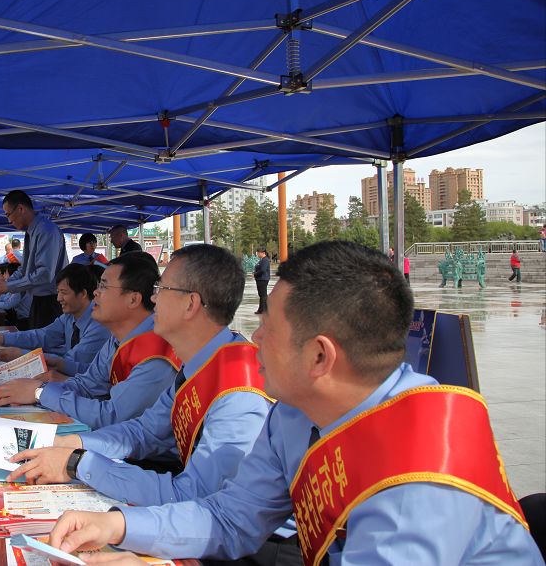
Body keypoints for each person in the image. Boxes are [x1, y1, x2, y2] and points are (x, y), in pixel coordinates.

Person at [48, 241, 540, 565]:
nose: (252, 339)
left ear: (320, 356)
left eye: (270, 330)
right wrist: (117, 525)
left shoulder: (420, 478)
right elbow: (231, 518)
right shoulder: (295, 411)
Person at [6, 246, 281, 528]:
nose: (153, 298)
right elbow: (144, 430)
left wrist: (77, 463)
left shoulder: (237, 391)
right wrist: (71, 445)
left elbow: (198, 497)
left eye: (162, 288)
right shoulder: (199, 363)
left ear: (191, 304)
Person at [0, 252, 181, 429]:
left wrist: (40, 393)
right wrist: (34, 392)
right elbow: (86, 385)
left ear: (133, 299)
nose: (95, 293)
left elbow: (112, 416)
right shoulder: (117, 339)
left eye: (104, 286)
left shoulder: (157, 352)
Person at [0, 263, 108, 377]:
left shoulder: (99, 323)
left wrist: (23, 355)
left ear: (83, 293)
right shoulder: (69, 316)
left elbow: (69, 362)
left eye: (64, 292)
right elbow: (43, 336)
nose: (58, 298)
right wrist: (3, 339)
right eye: (58, 292)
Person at [0, 190, 67, 329]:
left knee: (45, 347)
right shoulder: (32, 232)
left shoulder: (46, 230)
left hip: (51, 301)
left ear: (20, 209)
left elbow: (44, 274)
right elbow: (25, 269)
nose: (9, 220)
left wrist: (9, 286)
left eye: (8, 214)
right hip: (39, 301)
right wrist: (4, 285)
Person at [0, 262, 32, 329]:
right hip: (17, 318)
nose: (4, 277)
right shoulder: (14, 287)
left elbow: (8, 305)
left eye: (5, 274)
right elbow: (5, 299)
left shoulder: (18, 288)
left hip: (23, 321)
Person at [253, 247, 270, 314]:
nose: (257, 254)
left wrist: (255, 274)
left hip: (263, 279)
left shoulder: (265, 260)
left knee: (263, 295)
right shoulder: (262, 260)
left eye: (258, 253)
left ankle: (264, 310)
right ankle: (262, 309)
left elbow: (263, 270)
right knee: (262, 295)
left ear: (263, 253)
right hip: (260, 279)